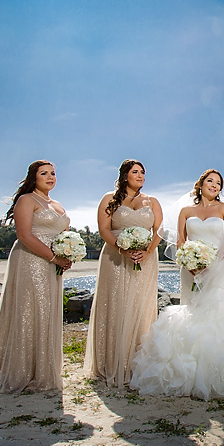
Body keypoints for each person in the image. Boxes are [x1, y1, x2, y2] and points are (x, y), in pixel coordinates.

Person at [129, 169, 224, 400]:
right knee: (191, 310)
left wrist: (212, 266)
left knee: (214, 315)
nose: (214, 185)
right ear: (200, 184)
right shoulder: (186, 211)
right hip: (189, 269)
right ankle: (188, 371)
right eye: (210, 181)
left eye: (219, 183)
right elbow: (181, 241)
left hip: (217, 269)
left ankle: (214, 372)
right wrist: (191, 263)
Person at [0, 160, 72, 393]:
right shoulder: (27, 200)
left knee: (46, 311)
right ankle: (21, 371)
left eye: (53, 173)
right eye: (44, 173)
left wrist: (68, 253)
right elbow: (24, 235)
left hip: (53, 263)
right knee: (28, 310)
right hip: (31, 260)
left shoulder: (57, 204)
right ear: (33, 177)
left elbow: (64, 236)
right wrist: (54, 257)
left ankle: (43, 369)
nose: (50, 177)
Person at [84, 159, 163, 387]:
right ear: (125, 175)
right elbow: (104, 229)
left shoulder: (153, 201)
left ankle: (138, 363)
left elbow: (159, 230)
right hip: (115, 258)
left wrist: (147, 252)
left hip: (146, 260)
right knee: (116, 304)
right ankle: (112, 362)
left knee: (141, 305)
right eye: (135, 172)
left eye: (143, 172)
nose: (140, 176)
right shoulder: (109, 198)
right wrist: (122, 248)